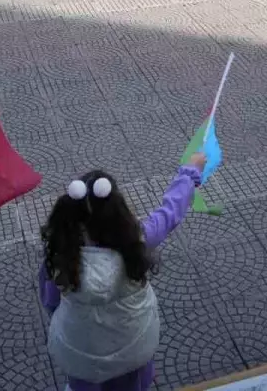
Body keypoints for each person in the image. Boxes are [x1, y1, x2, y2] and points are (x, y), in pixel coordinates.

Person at [39, 153, 207, 391]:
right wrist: (190, 173)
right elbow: (170, 212)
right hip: (132, 348)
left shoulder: (62, 255)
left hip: (82, 353)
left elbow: (51, 303)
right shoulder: (136, 241)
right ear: (118, 209)